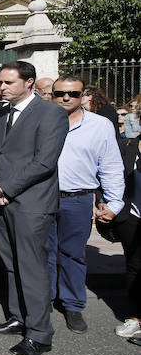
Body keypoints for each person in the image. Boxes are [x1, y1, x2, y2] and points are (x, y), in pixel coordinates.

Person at [0, 61, 68, 355]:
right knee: (9, 263)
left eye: (8, 83)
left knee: (31, 267)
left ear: (29, 82)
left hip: (31, 203)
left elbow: (44, 162)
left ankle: (40, 333)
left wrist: (5, 189)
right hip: (0, 200)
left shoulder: (52, 114)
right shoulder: (1, 112)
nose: (1, 88)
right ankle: (19, 317)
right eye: (0, 83)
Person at [47, 76, 124, 333]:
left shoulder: (99, 126)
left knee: (73, 253)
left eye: (73, 93)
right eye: (60, 93)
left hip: (78, 199)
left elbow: (111, 165)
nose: (66, 98)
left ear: (84, 96)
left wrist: (114, 202)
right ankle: (43, 300)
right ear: (52, 95)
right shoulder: (42, 121)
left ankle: (72, 304)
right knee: (43, 253)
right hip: (42, 197)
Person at [110, 134, 141, 339]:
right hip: (133, 215)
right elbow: (112, 174)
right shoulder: (128, 145)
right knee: (135, 265)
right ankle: (136, 317)